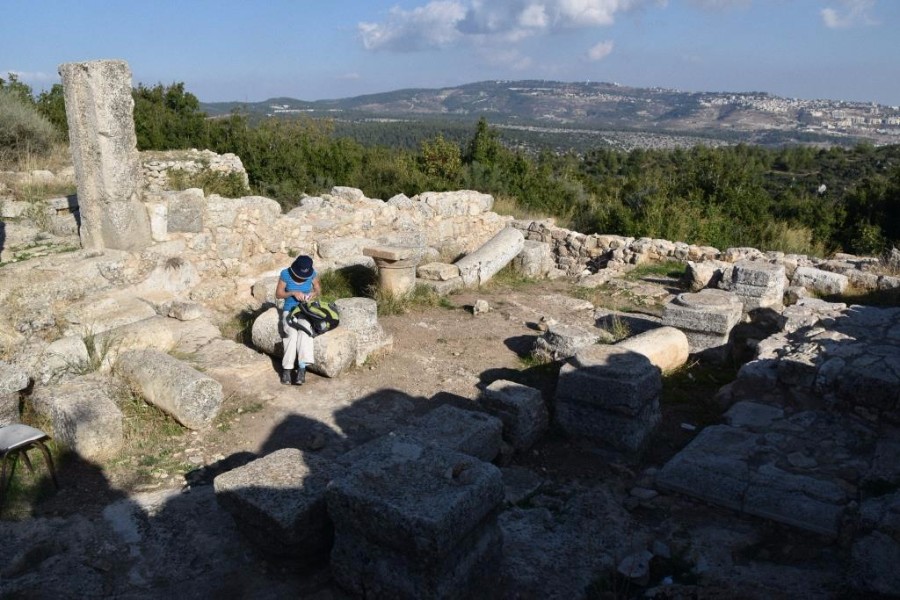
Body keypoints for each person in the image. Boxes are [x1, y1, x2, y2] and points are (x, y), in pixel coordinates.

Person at [275, 255, 321, 385]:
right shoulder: (285, 274)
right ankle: (287, 370)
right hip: (289, 310)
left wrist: (313, 293)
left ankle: (302, 368)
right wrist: (292, 293)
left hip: (305, 310)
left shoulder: (312, 274)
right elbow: (278, 294)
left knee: (305, 331)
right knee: (291, 334)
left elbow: (318, 288)